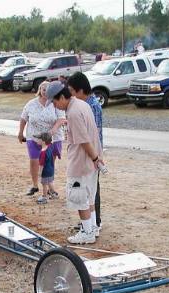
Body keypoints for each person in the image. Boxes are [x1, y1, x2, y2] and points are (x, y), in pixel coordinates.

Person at [46, 81, 104, 244]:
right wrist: (97, 156)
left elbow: (84, 140)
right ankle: (93, 227)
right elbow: (95, 133)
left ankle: (87, 232)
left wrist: (94, 157)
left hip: (81, 162)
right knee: (90, 196)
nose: (55, 106)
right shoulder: (83, 104)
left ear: (63, 96)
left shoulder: (73, 112)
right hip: (91, 162)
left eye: (55, 102)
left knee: (79, 197)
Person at [67, 72, 104, 230]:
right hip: (92, 153)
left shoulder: (90, 105)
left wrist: (95, 157)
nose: (71, 96)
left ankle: (93, 224)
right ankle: (91, 223)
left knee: (89, 191)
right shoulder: (87, 104)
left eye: (72, 91)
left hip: (91, 154)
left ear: (80, 90)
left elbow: (87, 136)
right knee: (89, 190)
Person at [18, 81, 65, 196]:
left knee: (50, 163)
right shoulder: (31, 103)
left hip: (52, 138)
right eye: (43, 89)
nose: (45, 92)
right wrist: (20, 132)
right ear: (40, 90)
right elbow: (23, 118)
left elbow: (61, 119)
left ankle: (50, 186)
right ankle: (35, 185)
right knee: (34, 160)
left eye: (47, 89)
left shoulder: (55, 102)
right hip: (33, 136)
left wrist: (51, 132)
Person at [35, 132, 59, 204]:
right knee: (50, 182)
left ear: (43, 141)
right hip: (51, 169)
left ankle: (44, 197)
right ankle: (54, 194)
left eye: (38, 139)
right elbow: (52, 143)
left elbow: (41, 164)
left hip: (45, 171)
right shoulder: (50, 146)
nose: (36, 140)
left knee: (44, 184)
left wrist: (39, 173)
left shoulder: (43, 152)